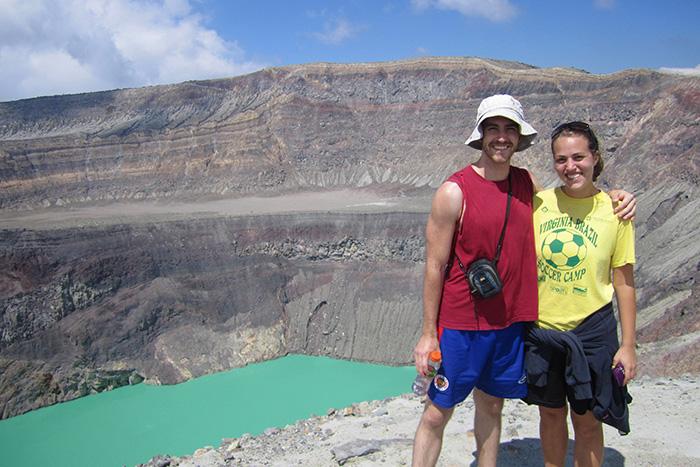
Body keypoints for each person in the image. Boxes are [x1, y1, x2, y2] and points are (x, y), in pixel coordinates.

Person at [411, 96, 635, 467]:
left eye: (509, 129)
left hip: (510, 324)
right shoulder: (454, 192)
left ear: (519, 136)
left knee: (491, 405)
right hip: (462, 325)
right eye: (493, 129)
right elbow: (434, 266)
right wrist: (428, 333)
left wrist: (616, 194)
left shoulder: (526, 185)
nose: (501, 137)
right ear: (480, 135)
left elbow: (578, 198)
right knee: (437, 412)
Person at [524, 121, 637, 467]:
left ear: (595, 157)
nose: (570, 167)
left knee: (588, 421)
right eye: (561, 159)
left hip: (592, 331)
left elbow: (623, 281)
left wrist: (629, 345)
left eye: (578, 157)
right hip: (544, 330)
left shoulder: (615, 211)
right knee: (551, 415)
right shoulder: (540, 203)